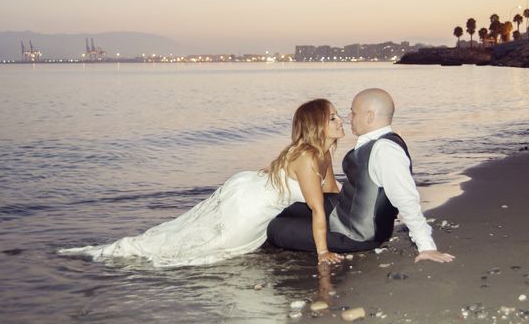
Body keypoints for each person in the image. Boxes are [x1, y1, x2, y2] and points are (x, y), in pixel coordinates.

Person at [59, 99, 346, 267]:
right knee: (205, 246)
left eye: (338, 115)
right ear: (316, 126)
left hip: (257, 195)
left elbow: (332, 191)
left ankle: (122, 251)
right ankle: (122, 252)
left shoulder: (323, 155)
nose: (341, 120)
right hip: (249, 202)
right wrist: (323, 253)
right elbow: (317, 208)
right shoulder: (308, 156)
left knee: (201, 238)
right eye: (333, 117)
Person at [266, 88, 455, 264]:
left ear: (370, 116)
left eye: (353, 113)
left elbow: (406, 199)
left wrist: (426, 246)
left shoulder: (385, 151)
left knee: (275, 229)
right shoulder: (375, 144)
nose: (348, 118)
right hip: (345, 212)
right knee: (288, 209)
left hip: (356, 234)